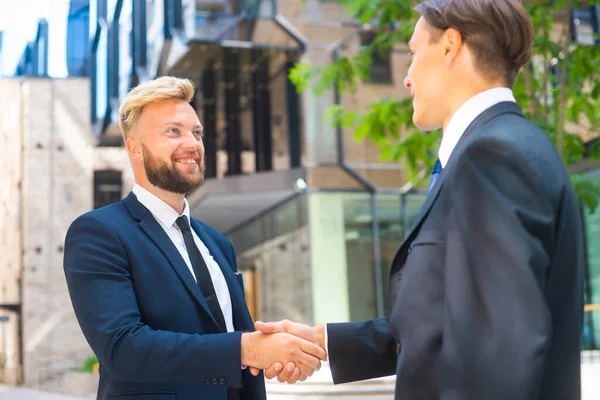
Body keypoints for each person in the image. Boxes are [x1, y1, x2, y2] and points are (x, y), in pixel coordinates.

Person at [253, 1, 584, 399]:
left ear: (450, 46)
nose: (407, 79)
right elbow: (446, 323)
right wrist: (323, 340)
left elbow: (500, 350)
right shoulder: (502, 148)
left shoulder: (492, 157)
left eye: (412, 54)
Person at [63, 76, 326, 400]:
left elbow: (226, 340)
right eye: (173, 131)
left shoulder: (218, 244)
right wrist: (248, 349)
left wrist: (271, 349)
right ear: (134, 147)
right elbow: (123, 349)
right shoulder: (99, 233)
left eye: (196, 132)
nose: (193, 143)